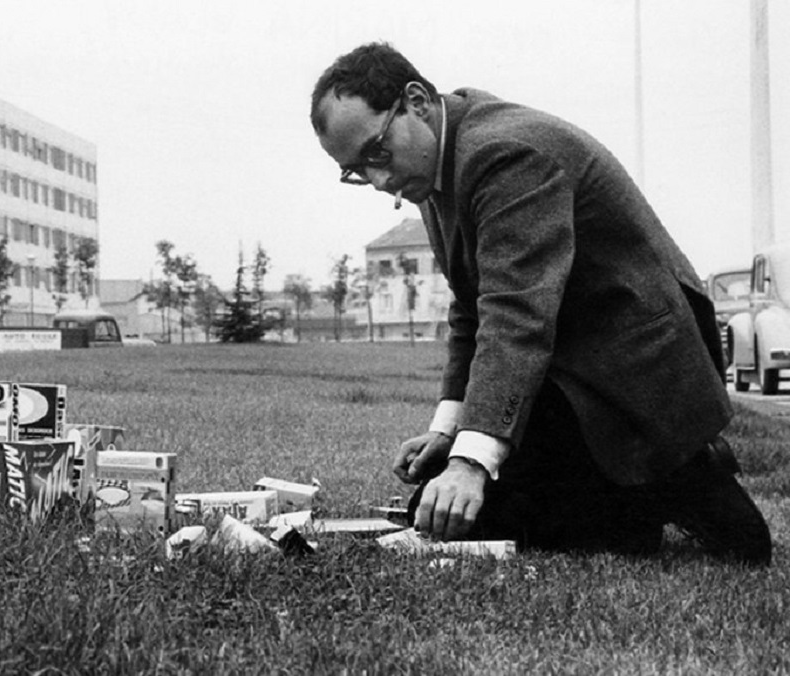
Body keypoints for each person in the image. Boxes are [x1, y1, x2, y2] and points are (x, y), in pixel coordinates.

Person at [311, 42, 771, 564]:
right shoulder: (439, 165)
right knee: (447, 511)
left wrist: (471, 463)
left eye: (377, 152)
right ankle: (624, 506)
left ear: (415, 101)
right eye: (356, 170)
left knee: (473, 511)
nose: (378, 180)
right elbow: (473, 305)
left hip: (637, 373)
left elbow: (516, 315)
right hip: (573, 363)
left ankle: (679, 473)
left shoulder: (503, 153)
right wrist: (450, 430)